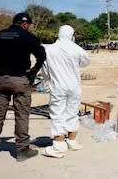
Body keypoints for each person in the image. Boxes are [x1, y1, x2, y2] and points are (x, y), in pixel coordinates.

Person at [0, 12, 46, 161]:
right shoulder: (28, 37)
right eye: (29, 25)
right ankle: (22, 150)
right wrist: (33, 72)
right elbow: (42, 56)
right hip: (20, 80)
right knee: (21, 114)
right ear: (25, 24)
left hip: (0, 80)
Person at [41, 25, 90, 158]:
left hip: (58, 85)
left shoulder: (49, 49)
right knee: (72, 112)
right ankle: (72, 141)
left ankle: (58, 145)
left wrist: (48, 80)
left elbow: (44, 70)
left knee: (57, 113)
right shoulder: (76, 48)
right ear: (72, 35)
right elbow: (86, 62)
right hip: (74, 86)